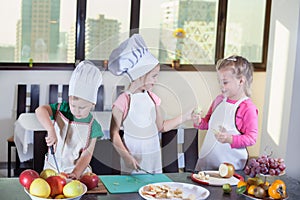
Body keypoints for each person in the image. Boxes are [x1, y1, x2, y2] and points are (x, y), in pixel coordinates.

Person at [108, 34, 193, 174]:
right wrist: (126, 156)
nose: (156, 80)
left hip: (153, 161)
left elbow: (161, 127)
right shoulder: (123, 100)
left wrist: (185, 116)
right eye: (154, 76)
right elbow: (114, 133)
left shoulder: (153, 99)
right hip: (133, 160)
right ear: (140, 75)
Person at [35, 60, 103, 179]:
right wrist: (51, 130)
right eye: (73, 105)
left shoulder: (94, 126)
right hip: (52, 169)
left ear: (93, 104)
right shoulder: (62, 109)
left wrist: (76, 172)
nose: (76, 111)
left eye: (82, 107)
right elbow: (40, 110)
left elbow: (87, 155)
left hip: (76, 173)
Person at [192, 55, 258, 171]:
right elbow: (208, 123)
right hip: (207, 162)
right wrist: (199, 122)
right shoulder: (219, 100)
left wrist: (230, 139)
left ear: (241, 81)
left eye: (225, 82)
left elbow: (251, 138)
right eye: (220, 82)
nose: (221, 86)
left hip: (230, 167)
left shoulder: (247, 108)